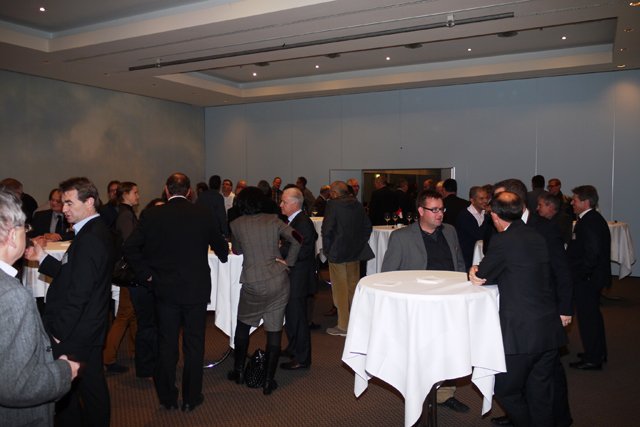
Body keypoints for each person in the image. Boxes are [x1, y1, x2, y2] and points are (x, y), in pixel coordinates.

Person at [123, 173, 229, 413]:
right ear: (189, 192)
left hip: (164, 289)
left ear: (166, 190)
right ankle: (191, 398)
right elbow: (220, 246)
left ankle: (168, 398)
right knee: (194, 344)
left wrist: (147, 274)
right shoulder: (203, 213)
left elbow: (130, 247)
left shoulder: (151, 215)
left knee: (167, 344)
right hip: (196, 289)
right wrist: (224, 255)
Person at [470, 191, 568, 427]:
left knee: (505, 389)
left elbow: (484, 276)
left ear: (495, 216)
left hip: (521, 333)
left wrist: (474, 270)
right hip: (548, 330)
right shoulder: (536, 235)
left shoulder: (503, 240)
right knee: (540, 393)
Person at [24, 177, 115, 426]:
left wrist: (58, 332)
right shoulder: (91, 231)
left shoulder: (91, 237)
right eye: (63, 202)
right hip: (86, 326)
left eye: (69, 203)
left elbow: (79, 292)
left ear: (89, 202)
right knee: (88, 388)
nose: (63, 208)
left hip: (76, 329)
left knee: (74, 394)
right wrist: (42, 258)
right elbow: (74, 276)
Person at [381, 189, 469, 413]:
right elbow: (388, 275)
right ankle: (417, 394)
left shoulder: (450, 231)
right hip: (419, 305)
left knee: (449, 349)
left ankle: (445, 394)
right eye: (434, 210)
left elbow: (459, 264)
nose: (440, 214)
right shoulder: (402, 237)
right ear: (421, 211)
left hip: (448, 301)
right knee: (421, 353)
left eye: (442, 209)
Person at [0, 190, 80, 427]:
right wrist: (63, 372)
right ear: (13, 236)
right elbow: (16, 384)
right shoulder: (12, 295)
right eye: (25, 228)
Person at [227, 187, 301, 395]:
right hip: (278, 280)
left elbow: (237, 250)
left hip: (253, 283)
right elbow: (297, 238)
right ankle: (268, 381)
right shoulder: (273, 219)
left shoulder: (236, 224)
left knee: (243, 326)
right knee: (274, 330)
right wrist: (289, 262)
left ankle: (239, 372)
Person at [567, 185, 611, 370]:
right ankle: (598, 352)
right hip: (592, 277)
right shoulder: (591, 219)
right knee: (593, 317)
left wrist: (582, 275)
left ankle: (593, 358)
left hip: (588, 279)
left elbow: (592, 253)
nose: (572, 203)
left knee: (588, 320)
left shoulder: (590, 221)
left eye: (575, 200)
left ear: (586, 202)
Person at [322, 181, 374, 336]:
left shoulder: (332, 205)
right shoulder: (358, 205)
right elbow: (368, 227)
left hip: (338, 253)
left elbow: (327, 230)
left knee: (340, 290)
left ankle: (344, 326)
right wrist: (360, 242)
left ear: (334, 193)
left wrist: (327, 249)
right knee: (353, 288)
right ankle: (356, 323)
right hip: (355, 252)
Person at [102, 182, 140, 375]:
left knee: (131, 314)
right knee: (124, 315)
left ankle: (134, 352)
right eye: (135, 193)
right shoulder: (125, 215)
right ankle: (107, 359)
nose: (138, 196)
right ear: (125, 194)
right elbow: (131, 244)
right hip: (129, 271)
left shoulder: (125, 213)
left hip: (128, 270)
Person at [279, 187, 318, 370]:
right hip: (294, 276)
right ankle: (293, 348)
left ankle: (302, 358)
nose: (281, 205)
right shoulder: (295, 220)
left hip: (299, 278)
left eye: (284, 202)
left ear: (294, 204)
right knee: (291, 317)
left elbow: (302, 253)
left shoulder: (303, 223)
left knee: (298, 319)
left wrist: (280, 251)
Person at [456, 186, 491, 270]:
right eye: (481, 199)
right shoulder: (464, 216)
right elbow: (479, 235)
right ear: (472, 200)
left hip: (484, 256)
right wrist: (488, 217)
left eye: (486, 198)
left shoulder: (485, 214)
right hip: (468, 259)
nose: (485, 201)